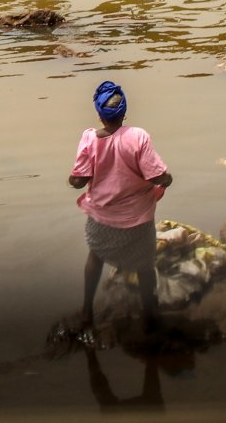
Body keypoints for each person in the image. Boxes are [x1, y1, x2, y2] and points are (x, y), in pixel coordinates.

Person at [69, 81, 173, 330]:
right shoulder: (138, 137)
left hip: (103, 215)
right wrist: (167, 180)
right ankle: (149, 314)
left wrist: (74, 178)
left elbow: (77, 181)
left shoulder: (89, 139)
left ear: (99, 115)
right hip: (138, 217)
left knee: (96, 257)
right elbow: (158, 176)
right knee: (146, 266)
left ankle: (86, 312)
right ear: (124, 113)